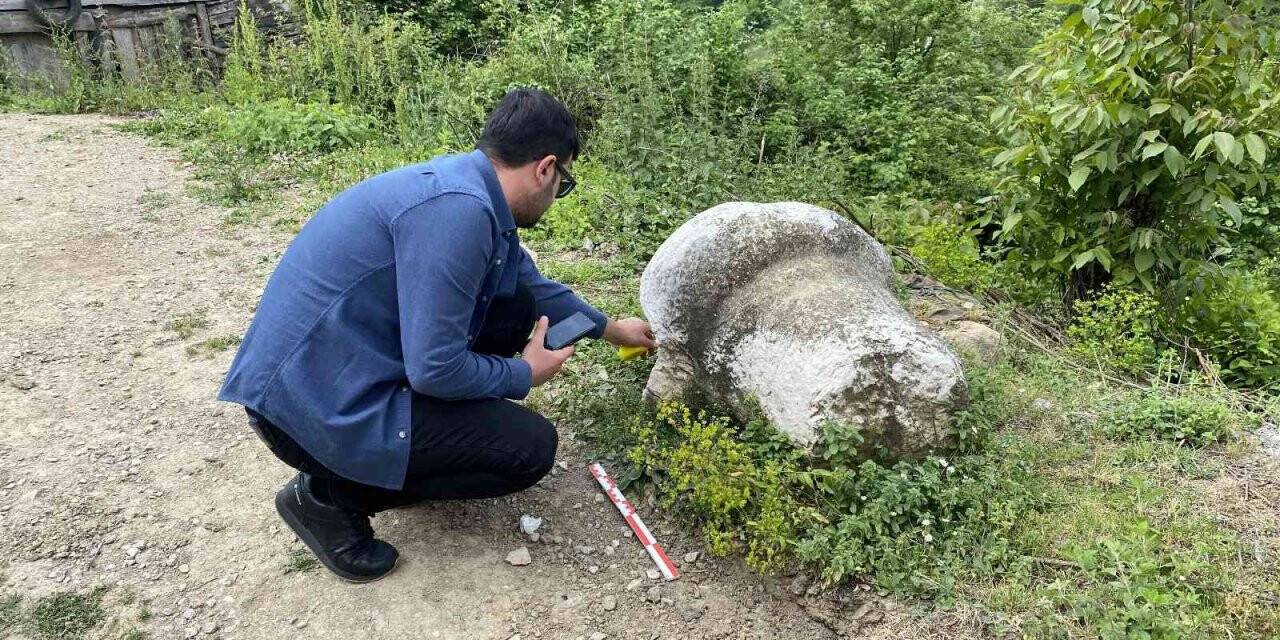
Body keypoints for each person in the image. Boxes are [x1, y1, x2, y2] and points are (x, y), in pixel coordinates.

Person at [217, 88, 657, 582]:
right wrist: (522, 374)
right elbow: (434, 369)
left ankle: (399, 454)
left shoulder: (468, 187)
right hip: (307, 411)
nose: (559, 193)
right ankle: (328, 497)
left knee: (517, 305)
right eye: (564, 182)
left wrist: (614, 328)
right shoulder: (459, 215)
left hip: (329, 370)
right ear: (546, 167)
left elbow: (532, 286)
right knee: (528, 448)